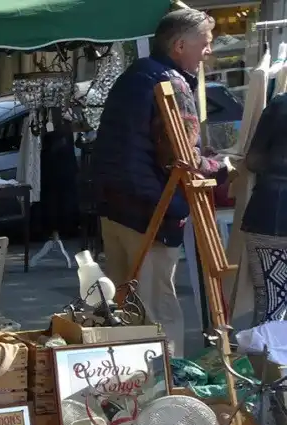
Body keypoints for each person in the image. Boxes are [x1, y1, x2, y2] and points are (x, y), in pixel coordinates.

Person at [92, 8, 230, 357]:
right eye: (206, 43)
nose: (209, 51)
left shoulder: (134, 75)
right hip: (149, 213)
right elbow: (182, 159)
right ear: (180, 45)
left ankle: (133, 387)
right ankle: (166, 393)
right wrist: (223, 166)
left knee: (127, 308)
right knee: (157, 312)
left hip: (117, 208)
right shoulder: (171, 83)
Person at [240, 92, 287, 323]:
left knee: (271, 306)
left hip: (268, 216)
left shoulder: (280, 103)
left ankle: (265, 359)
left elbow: (253, 161)